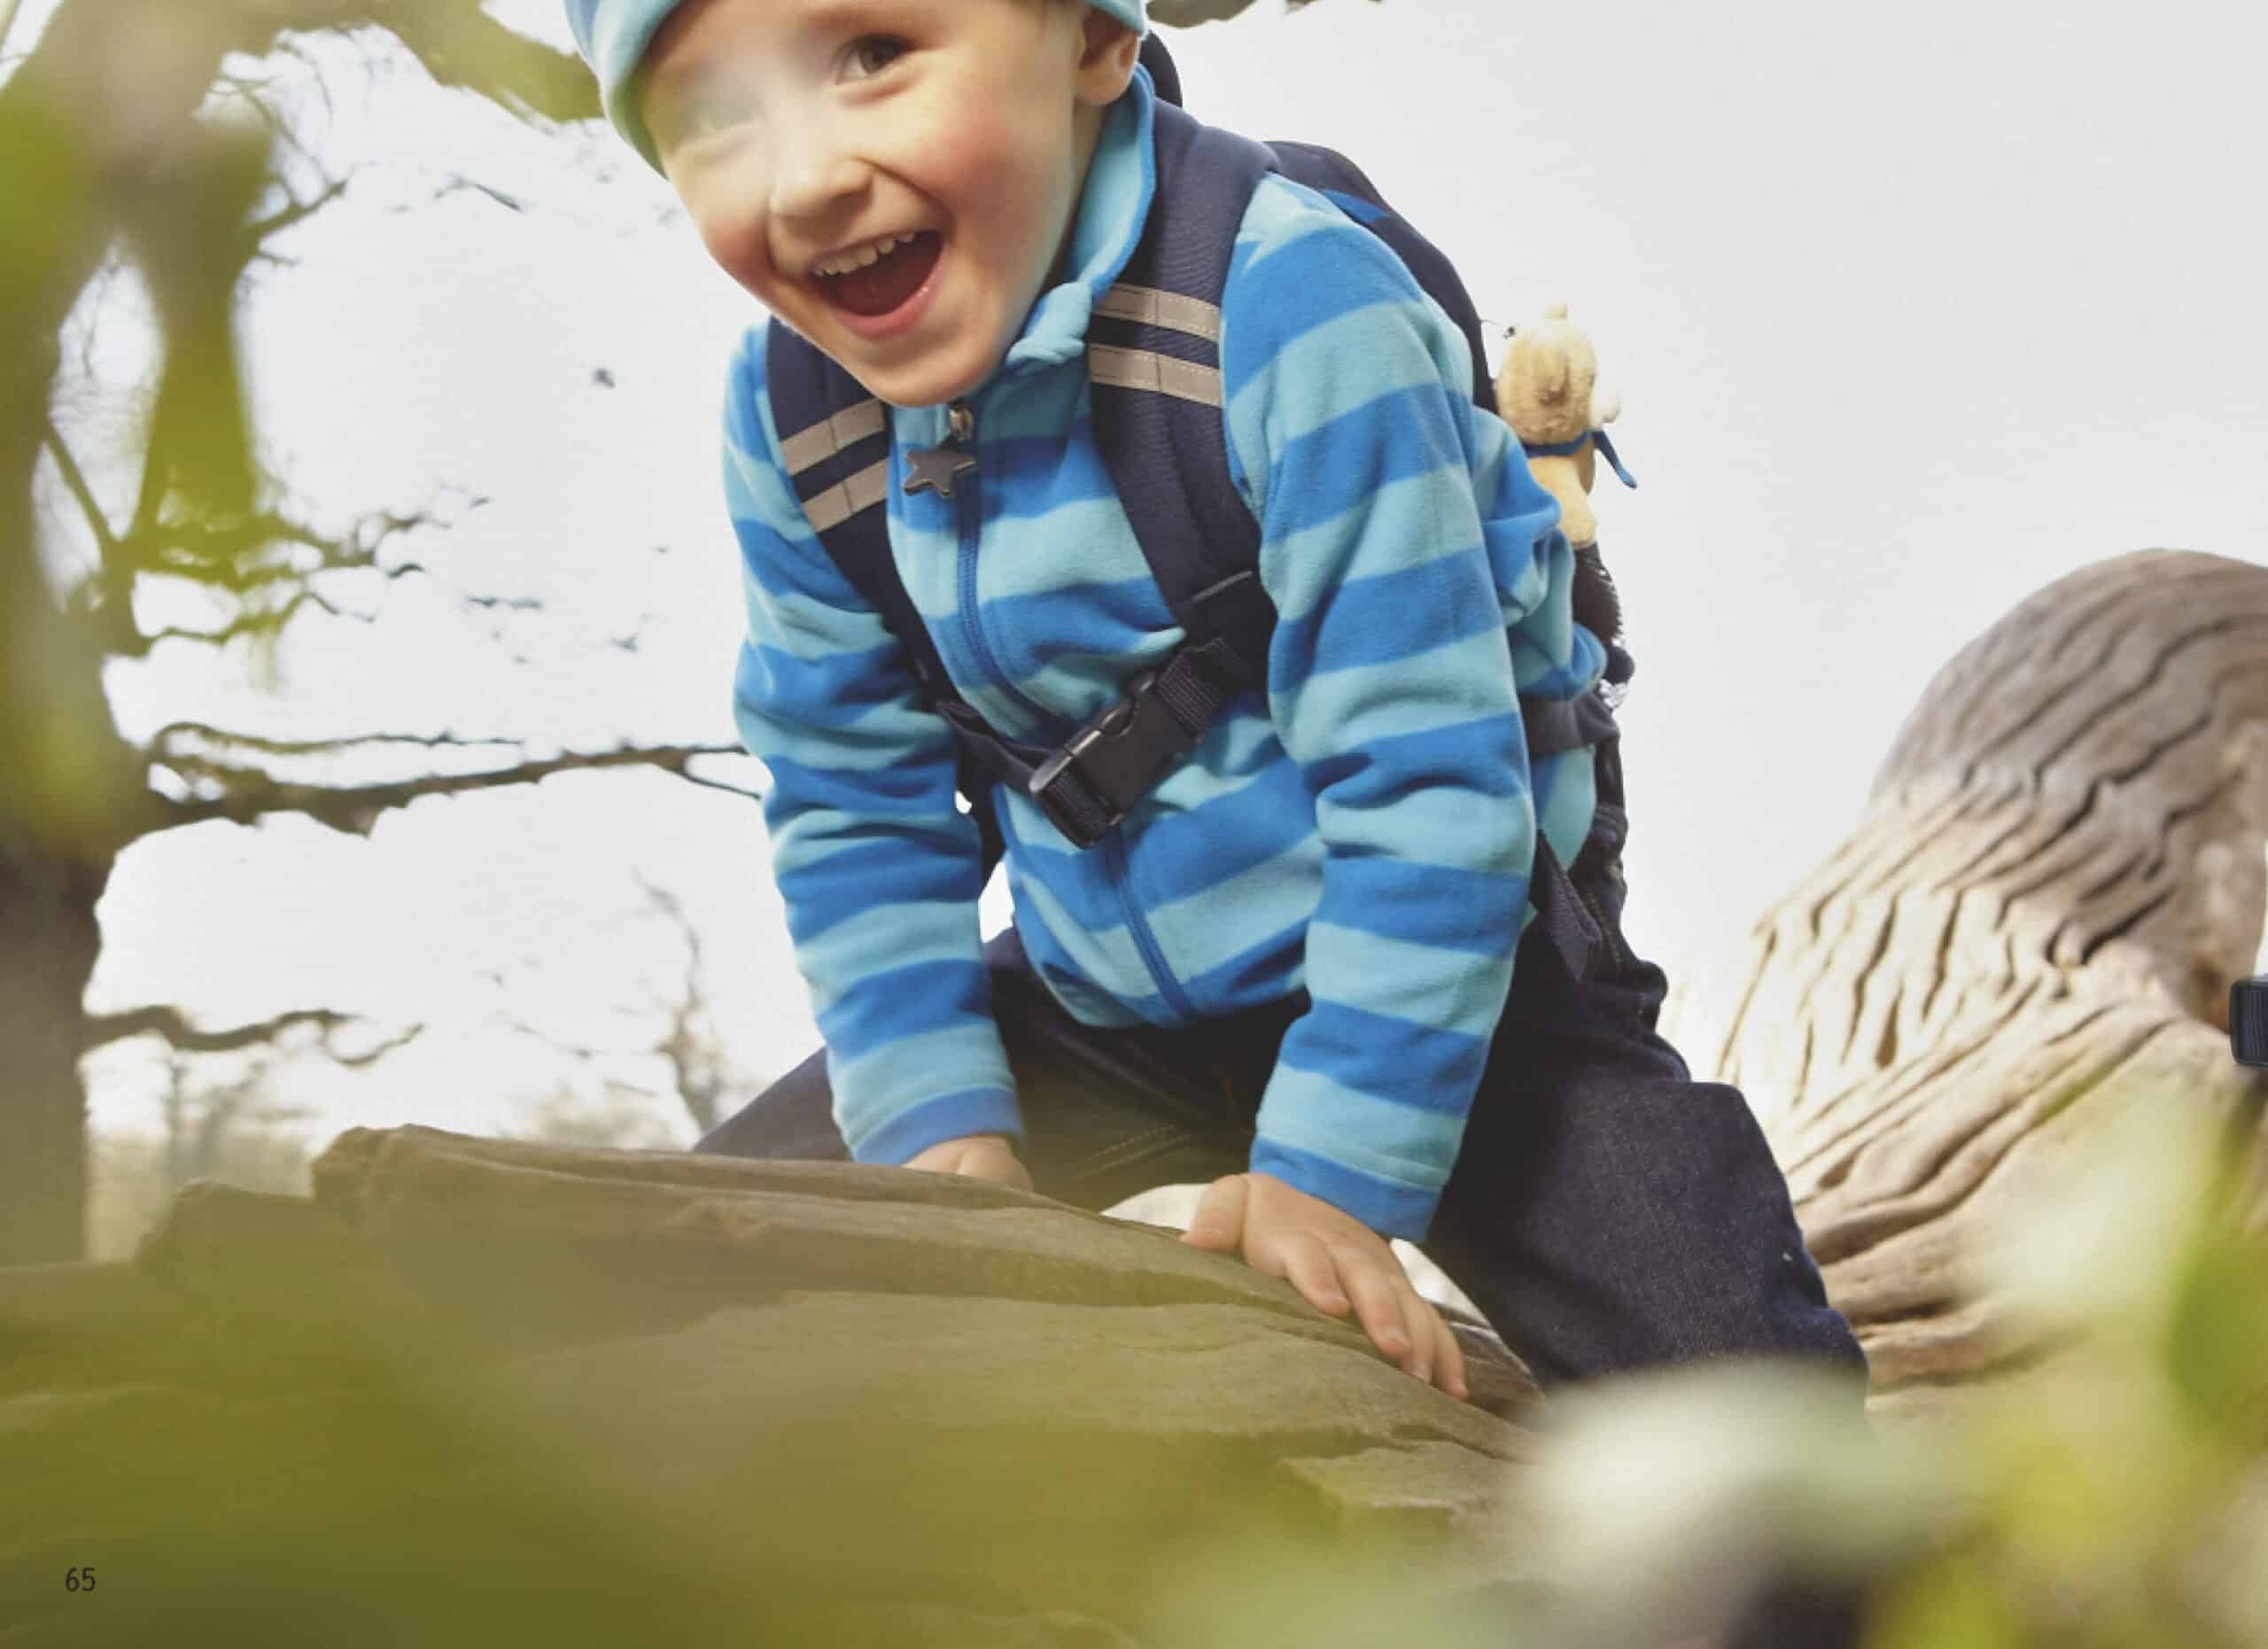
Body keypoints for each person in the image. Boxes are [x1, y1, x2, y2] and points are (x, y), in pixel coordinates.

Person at [563, 0, 1864, 1427]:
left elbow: (1429, 781)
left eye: (873, 56)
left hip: (1452, 969)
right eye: (713, 117)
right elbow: (851, 792)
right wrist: (933, 1115)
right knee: (663, 1276)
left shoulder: (1295, 305)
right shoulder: (798, 414)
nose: (804, 178)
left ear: (1093, 42)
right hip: (1098, 995)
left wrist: (1332, 1168)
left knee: (1756, 1412)